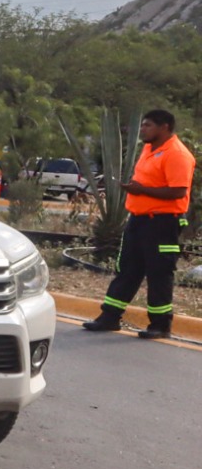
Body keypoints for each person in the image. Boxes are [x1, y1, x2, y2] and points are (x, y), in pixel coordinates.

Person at [83, 109, 195, 339]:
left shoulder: (176, 154)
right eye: (142, 125)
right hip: (139, 219)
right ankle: (110, 317)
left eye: (148, 125)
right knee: (127, 269)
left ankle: (161, 325)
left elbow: (178, 191)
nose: (143, 129)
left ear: (164, 127)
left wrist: (141, 190)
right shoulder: (148, 149)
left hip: (163, 223)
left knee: (159, 273)